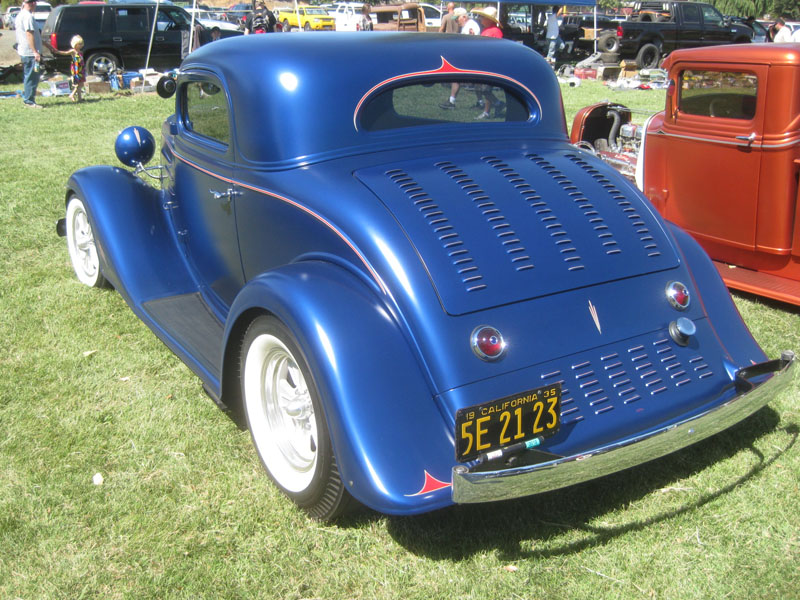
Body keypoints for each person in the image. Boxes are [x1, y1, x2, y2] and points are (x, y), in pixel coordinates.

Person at [438, 9, 481, 110]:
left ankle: (452, 102)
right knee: (476, 81)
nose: (456, 21)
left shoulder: (471, 26)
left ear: (464, 17)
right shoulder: (468, 25)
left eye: (457, 19)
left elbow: (470, 43)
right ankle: (481, 102)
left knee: (456, 78)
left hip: (470, 57)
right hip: (470, 57)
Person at [472, 7, 503, 119]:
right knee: (482, 88)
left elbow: (495, 49)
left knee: (485, 89)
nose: (480, 19)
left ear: (490, 19)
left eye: (482, 17)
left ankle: (498, 104)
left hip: (491, 64)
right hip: (484, 63)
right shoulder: (486, 30)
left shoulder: (495, 31)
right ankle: (487, 111)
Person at [15, 0, 43, 109]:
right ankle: (29, 101)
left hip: (25, 51)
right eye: (33, 2)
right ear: (31, 3)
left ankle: (28, 99)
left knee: (29, 75)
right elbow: (29, 34)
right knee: (32, 77)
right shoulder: (28, 17)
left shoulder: (20, 15)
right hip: (30, 53)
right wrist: (35, 51)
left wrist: (47, 46)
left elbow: (35, 35)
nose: (35, 4)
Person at [52, 35, 86, 102]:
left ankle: (79, 98)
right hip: (76, 70)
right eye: (79, 44)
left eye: (82, 44)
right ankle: (72, 95)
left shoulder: (81, 52)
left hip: (81, 69)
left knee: (81, 84)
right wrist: (57, 51)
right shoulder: (73, 51)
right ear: (75, 44)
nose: (81, 45)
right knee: (77, 84)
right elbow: (65, 53)